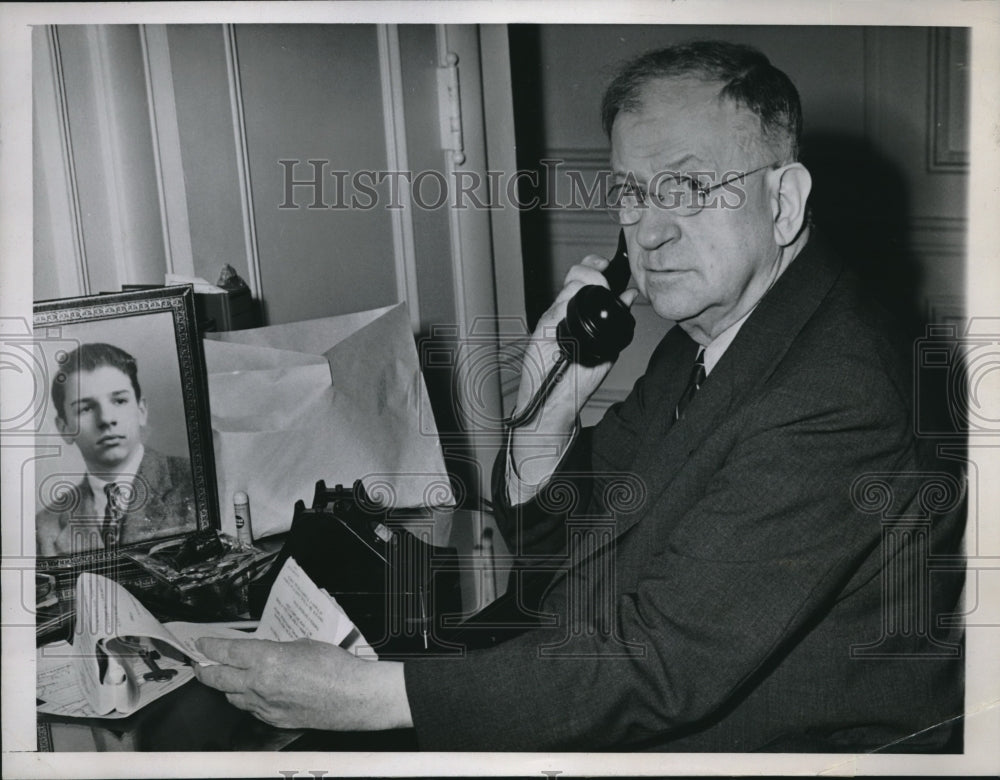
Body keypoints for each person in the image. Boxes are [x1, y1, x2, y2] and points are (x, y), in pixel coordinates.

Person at [195, 41, 965, 752]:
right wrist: (549, 410)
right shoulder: (711, 331)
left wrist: (371, 696)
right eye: (631, 192)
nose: (648, 232)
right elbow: (559, 561)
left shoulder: (837, 390)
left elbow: (661, 666)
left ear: (784, 201)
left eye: (689, 187)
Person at [36, 342, 197, 557]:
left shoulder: (194, 483)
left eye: (119, 401)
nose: (106, 419)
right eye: (85, 408)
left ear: (141, 410)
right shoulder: (46, 526)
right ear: (64, 428)